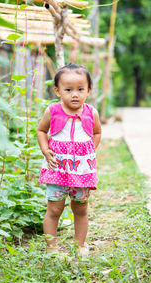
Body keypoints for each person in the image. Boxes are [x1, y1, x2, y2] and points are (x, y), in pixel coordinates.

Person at [37, 63, 101, 256]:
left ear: (88, 90)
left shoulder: (91, 113)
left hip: (81, 171)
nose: (75, 94)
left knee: (80, 209)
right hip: (57, 169)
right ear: (57, 91)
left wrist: (90, 151)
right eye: (68, 90)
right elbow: (41, 130)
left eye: (80, 89)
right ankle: (52, 248)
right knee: (54, 210)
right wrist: (45, 149)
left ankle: (80, 246)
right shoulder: (53, 111)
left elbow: (97, 133)